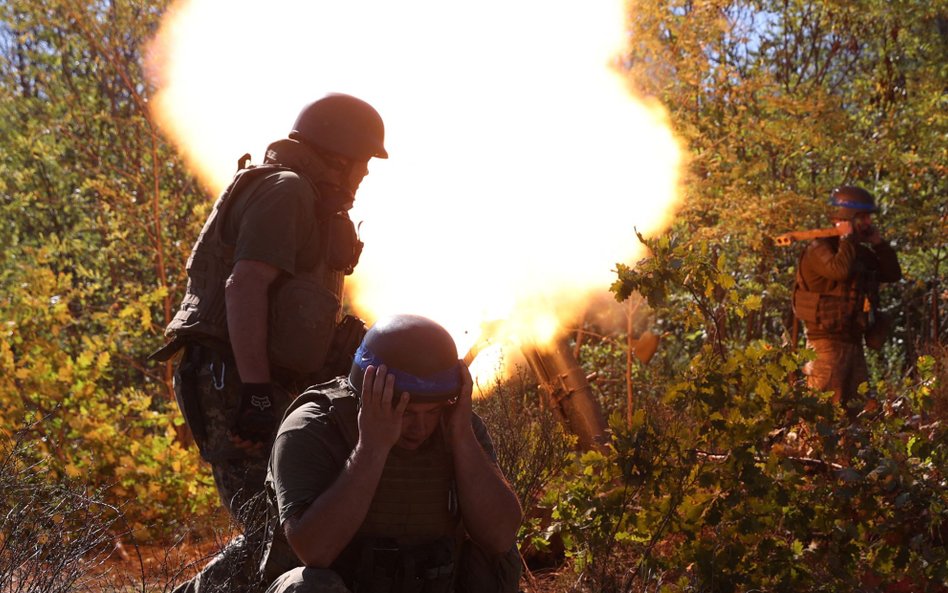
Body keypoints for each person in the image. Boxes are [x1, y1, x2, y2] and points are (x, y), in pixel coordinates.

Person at [152, 93, 388, 592]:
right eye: (363, 162)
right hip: (234, 381)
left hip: (260, 381)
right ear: (338, 155)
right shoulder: (287, 191)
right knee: (278, 531)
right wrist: (257, 393)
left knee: (291, 526)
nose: (365, 174)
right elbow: (246, 286)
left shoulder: (310, 199)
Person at [260, 314, 523, 593]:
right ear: (368, 396)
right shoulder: (313, 427)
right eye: (406, 412)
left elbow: (501, 535)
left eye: (432, 412)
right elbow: (314, 551)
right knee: (309, 587)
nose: (420, 427)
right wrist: (371, 447)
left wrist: (461, 436)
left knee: (495, 564)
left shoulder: (457, 425)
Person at [792, 185, 902, 416]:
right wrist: (847, 238)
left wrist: (879, 244)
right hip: (825, 345)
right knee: (822, 414)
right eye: (862, 218)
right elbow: (839, 271)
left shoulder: (855, 250)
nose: (868, 223)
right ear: (846, 218)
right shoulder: (818, 249)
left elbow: (892, 274)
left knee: (858, 411)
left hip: (852, 341)